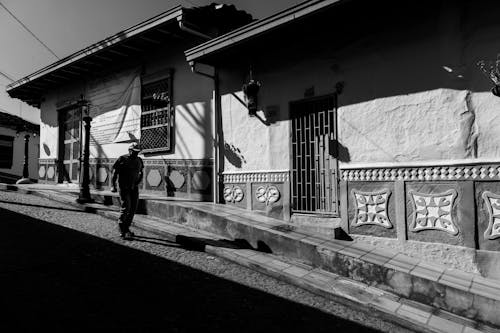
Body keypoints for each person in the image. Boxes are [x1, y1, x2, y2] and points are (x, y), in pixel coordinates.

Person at [111, 142, 144, 240]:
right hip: (124, 187)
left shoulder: (139, 160)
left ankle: (126, 228)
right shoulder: (122, 159)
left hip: (134, 188)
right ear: (130, 150)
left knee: (133, 208)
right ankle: (122, 228)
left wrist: (138, 182)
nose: (136, 154)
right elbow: (114, 173)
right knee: (126, 207)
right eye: (134, 151)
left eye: (138, 152)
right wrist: (113, 186)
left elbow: (141, 172)